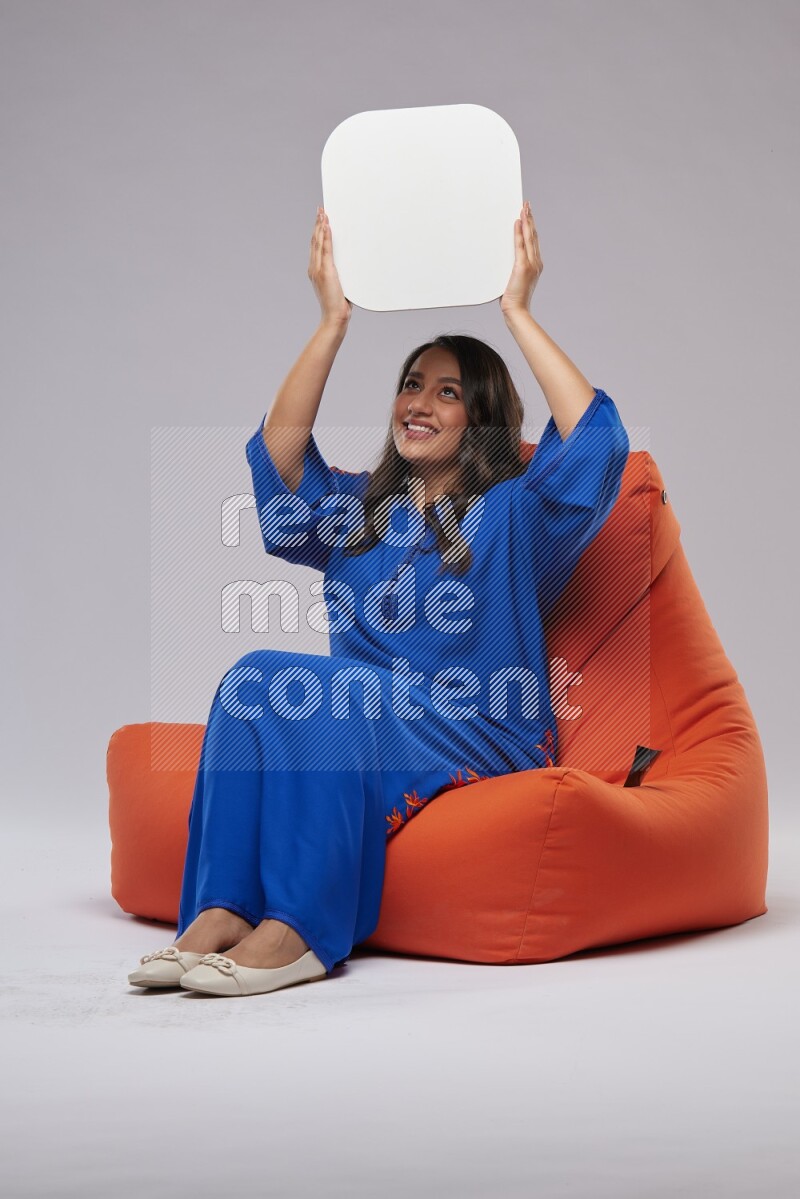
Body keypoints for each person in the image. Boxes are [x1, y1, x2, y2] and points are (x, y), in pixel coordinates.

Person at [127, 200, 629, 997]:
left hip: (481, 729)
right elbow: (280, 457)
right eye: (408, 384)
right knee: (253, 675)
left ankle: (300, 931)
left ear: (483, 419)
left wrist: (517, 311)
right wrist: (331, 322)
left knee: (328, 689)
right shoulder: (361, 515)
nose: (416, 402)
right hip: (362, 718)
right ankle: (220, 907)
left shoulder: (516, 513)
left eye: (447, 391)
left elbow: (601, 443)